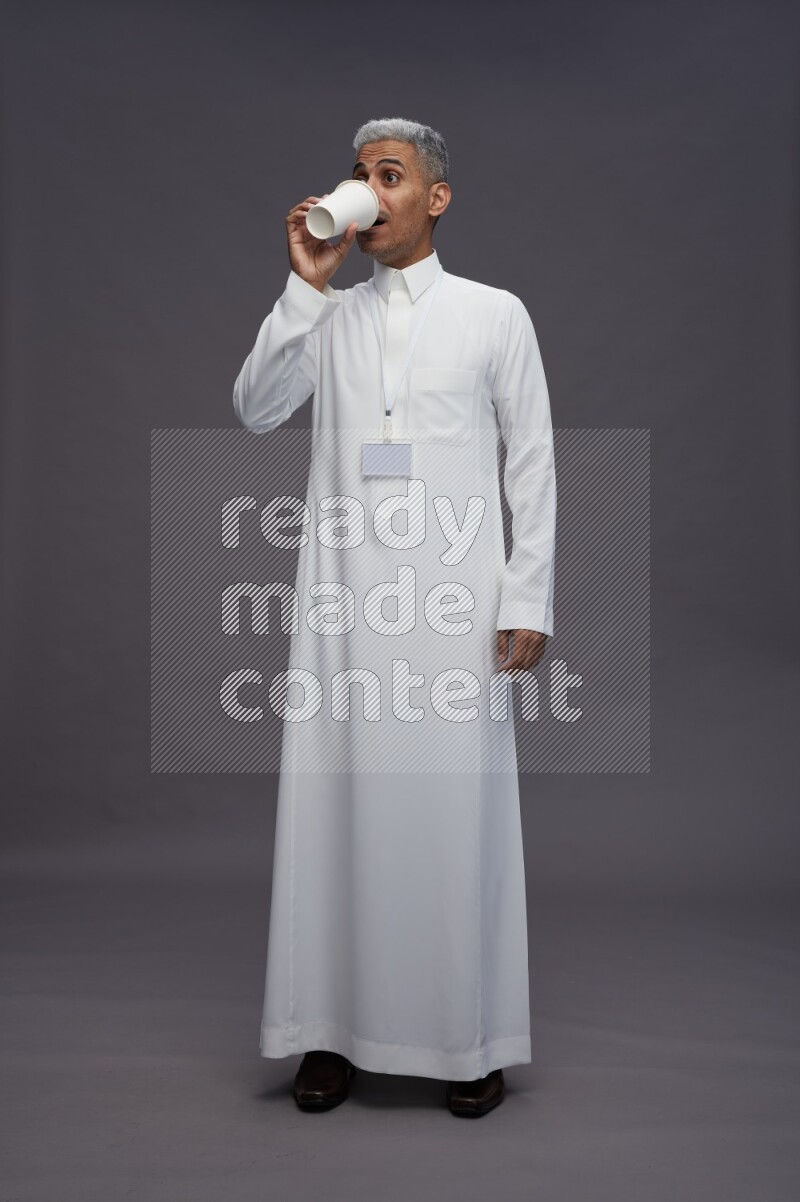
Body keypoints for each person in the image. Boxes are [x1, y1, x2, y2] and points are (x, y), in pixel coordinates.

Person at [232, 117, 556, 1117]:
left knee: (453, 815)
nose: (368, 189)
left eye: (389, 174)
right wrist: (304, 281)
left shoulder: (493, 314)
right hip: (343, 604)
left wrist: (525, 594)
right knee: (337, 811)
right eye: (361, 173)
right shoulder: (326, 317)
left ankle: (469, 1037)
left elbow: (530, 460)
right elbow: (253, 406)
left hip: (452, 603)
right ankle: (327, 1034)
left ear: (435, 197)